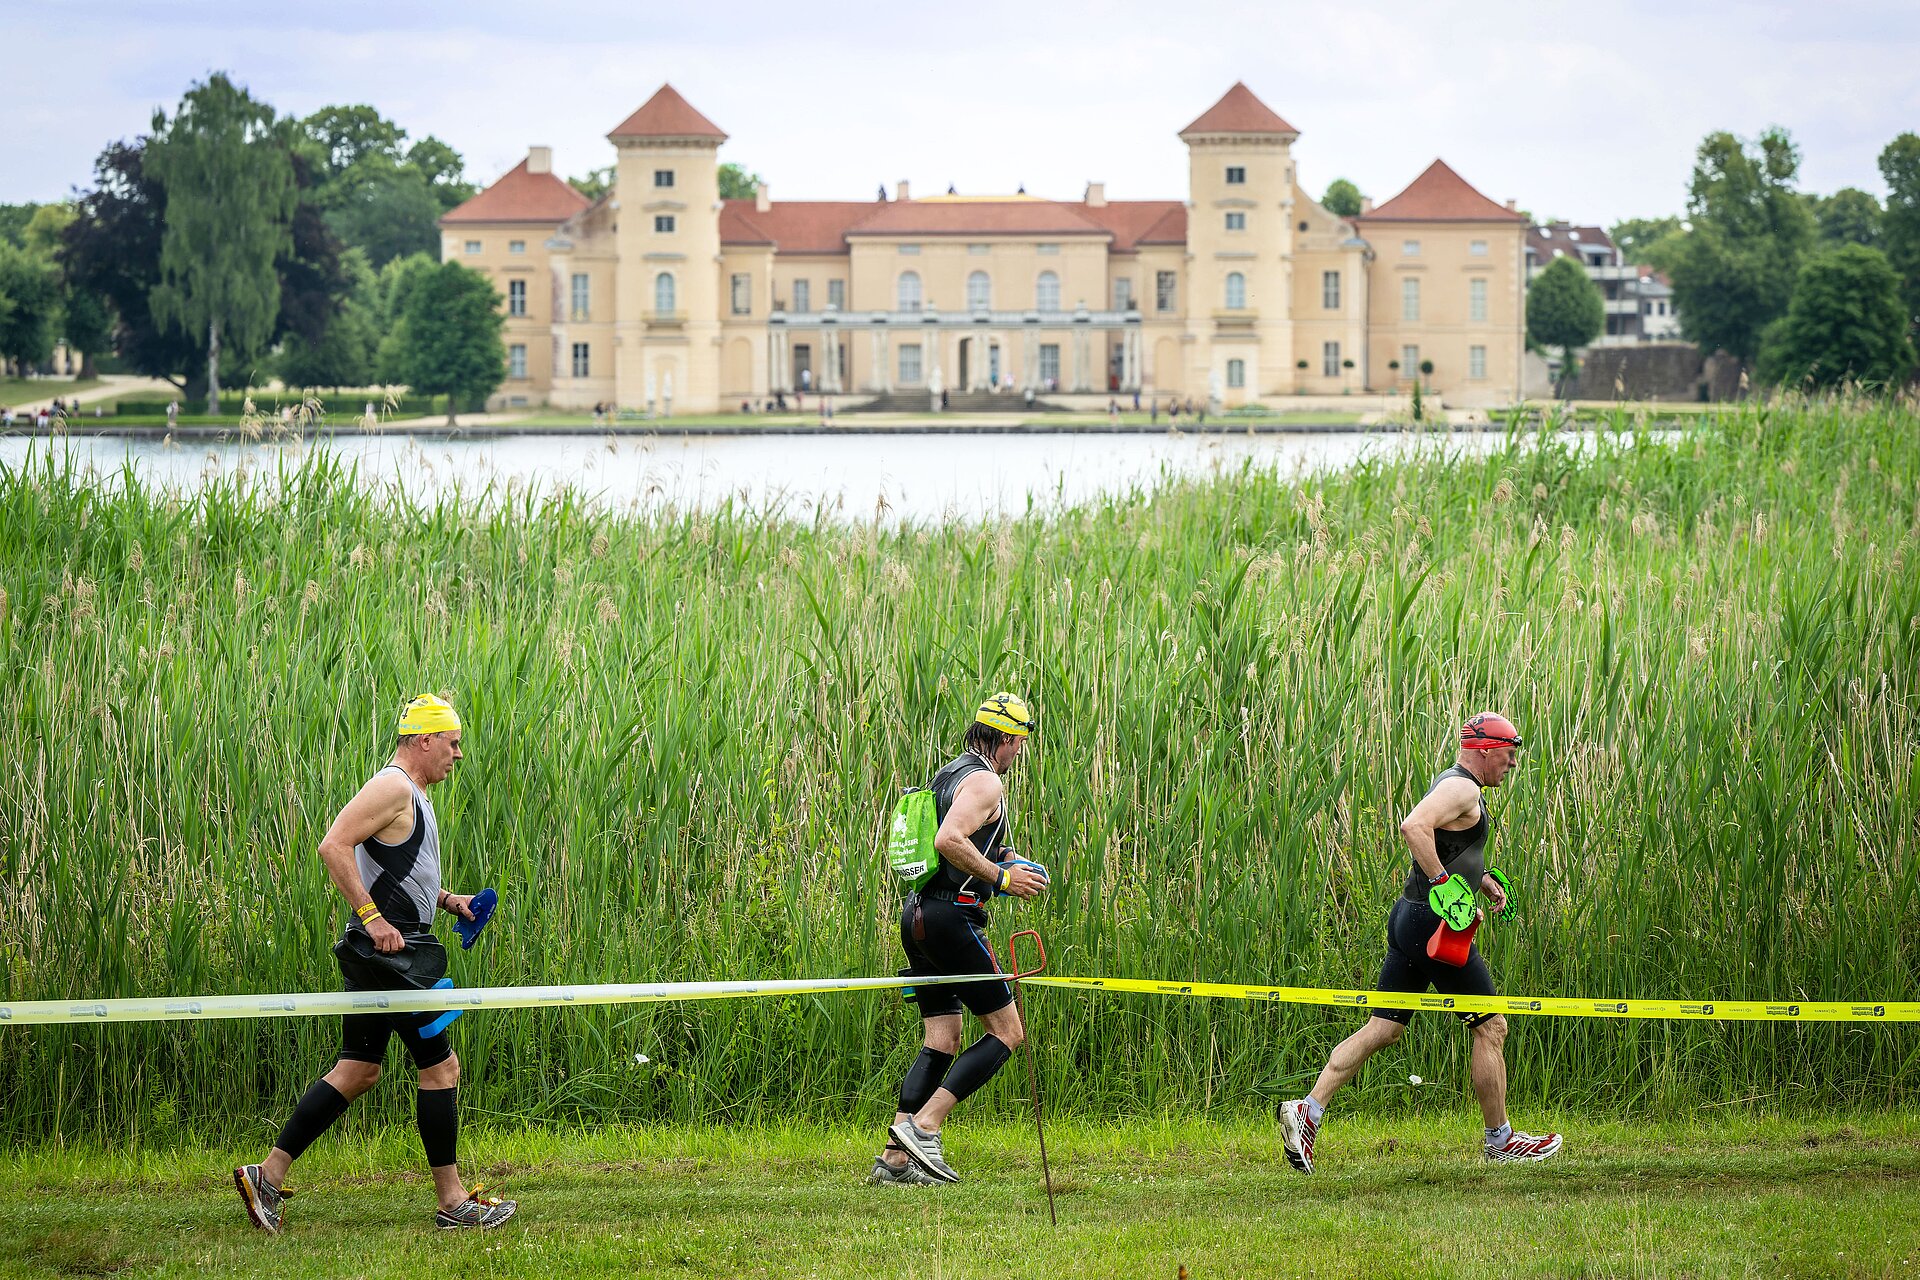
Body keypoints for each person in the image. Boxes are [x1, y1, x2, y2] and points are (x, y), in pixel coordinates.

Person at [234, 695, 517, 1233]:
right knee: (441, 1067)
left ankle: (266, 1176)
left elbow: (401, 875)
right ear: (425, 740)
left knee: (359, 1071)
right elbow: (333, 846)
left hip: (389, 954)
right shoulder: (391, 786)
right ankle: (453, 1202)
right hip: (391, 957)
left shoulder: (413, 795)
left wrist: (449, 900)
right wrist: (372, 918)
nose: (458, 755)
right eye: (453, 744)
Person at [1278, 712, 1561, 1173]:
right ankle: (1501, 1140)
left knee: (1385, 1027)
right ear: (1487, 751)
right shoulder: (1464, 787)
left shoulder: (1454, 782)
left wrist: (1480, 878)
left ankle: (1306, 1111)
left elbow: (1447, 842)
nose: (1512, 766)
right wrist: (1443, 883)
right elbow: (1413, 827)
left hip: (1409, 918)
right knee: (1492, 1026)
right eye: (1510, 757)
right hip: (1432, 924)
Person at [874, 694, 1047, 1186]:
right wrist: (1003, 879)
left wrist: (1006, 859)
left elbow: (964, 840)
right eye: (1020, 744)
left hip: (917, 914)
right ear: (1009, 739)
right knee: (1007, 1031)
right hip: (952, 918)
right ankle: (925, 1129)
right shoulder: (987, 780)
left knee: (942, 1038)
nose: (1019, 754)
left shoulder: (948, 773)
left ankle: (895, 1159)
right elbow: (948, 840)